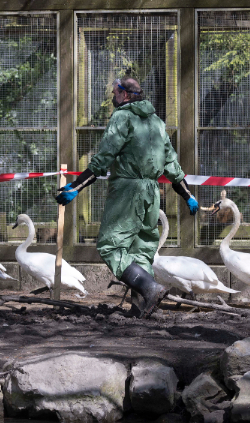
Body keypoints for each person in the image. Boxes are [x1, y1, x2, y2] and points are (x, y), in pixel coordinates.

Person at [55, 77, 199, 318]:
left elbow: (104, 158)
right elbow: (173, 166)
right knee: (141, 249)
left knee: (110, 246)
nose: (113, 97)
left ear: (125, 94)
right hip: (151, 194)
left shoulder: (122, 117)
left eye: (115, 93)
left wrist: (76, 187)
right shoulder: (156, 122)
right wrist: (188, 195)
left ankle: (151, 289)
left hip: (127, 193)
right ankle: (143, 309)